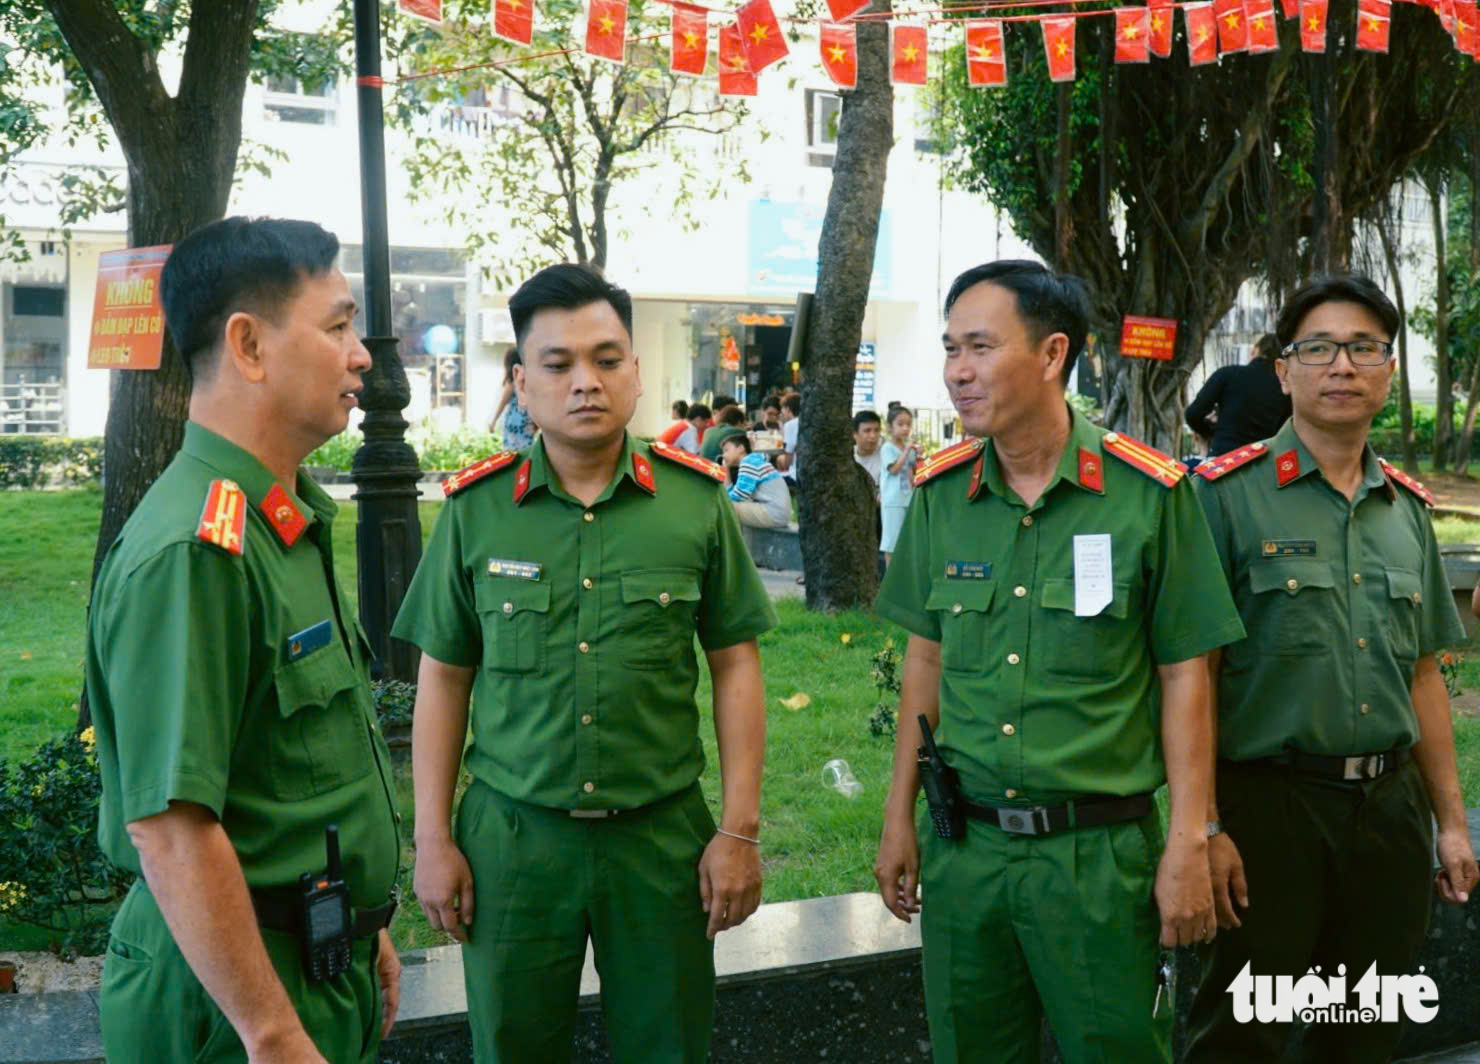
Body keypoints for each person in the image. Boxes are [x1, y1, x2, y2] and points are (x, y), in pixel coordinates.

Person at [391, 264, 777, 1064]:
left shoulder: (697, 502)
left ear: (636, 371)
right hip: (514, 843)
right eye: (558, 364)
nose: (586, 383)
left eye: (607, 359)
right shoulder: (475, 511)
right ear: (523, 382)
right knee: (515, 1046)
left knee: (669, 1045)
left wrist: (739, 829)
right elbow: (445, 677)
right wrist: (432, 837)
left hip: (661, 839)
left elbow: (736, 666)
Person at [872, 259, 1245, 1064]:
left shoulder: (1148, 495)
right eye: (949, 349)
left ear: (1051, 355)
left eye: (979, 347)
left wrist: (1190, 834)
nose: (957, 372)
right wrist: (899, 817)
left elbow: (1188, 674)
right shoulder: (941, 497)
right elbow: (925, 662)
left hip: (1096, 859)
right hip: (965, 853)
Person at [87, 217, 402, 1062]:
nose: (362, 353)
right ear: (249, 346)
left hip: (308, 965)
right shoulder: (196, 552)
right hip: (233, 1003)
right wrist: (271, 1032)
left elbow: (293, 776)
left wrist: (361, 925)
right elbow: (171, 827)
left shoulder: (281, 522)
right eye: (337, 326)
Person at [1186, 275, 1478, 1064]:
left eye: (1363, 349)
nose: (1340, 366)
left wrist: (1450, 822)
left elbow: (1422, 675)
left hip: (1388, 814)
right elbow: (1194, 678)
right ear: (1283, 371)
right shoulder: (1222, 499)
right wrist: (1203, 827)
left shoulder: (1407, 512)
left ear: (1389, 370)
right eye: (1317, 348)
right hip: (1268, 811)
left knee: (1366, 1034)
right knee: (1239, 1033)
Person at [1185, 333, 1291, 458]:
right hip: (1262, 462)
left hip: (1223, 459)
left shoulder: (1228, 374)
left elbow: (1193, 414)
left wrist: (1212, 431)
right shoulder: (1286, 387)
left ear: (1255, 350)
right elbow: (1286, 429)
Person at [722, 433, 791, 529]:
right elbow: (736, 493)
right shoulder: (753, 461)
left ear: (740, 448)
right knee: (728, 504)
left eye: (726, 450)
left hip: (774, 513)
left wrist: (718, 499)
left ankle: (729, 542)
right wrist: (726, 469)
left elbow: (739, 495)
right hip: (777, 513)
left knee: (724, 506)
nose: (723, 455)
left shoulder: (749, 462)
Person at [879, 405, 919, 562]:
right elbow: (894, 469)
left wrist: (918, 454)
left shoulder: (906, 448)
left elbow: (914, 470)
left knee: (905, 542)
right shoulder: (887, 448)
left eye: (908, 424)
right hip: (893, 500)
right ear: (890, 427)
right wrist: (907, 451)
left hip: (907, 497)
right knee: (891, 544)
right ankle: (890, 582)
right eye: (900, 424)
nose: (905, 428)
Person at [490, 347, 537, 451]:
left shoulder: (513, 380)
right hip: (527, 415)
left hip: (515, 418)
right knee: (526, 446)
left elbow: (503, 401)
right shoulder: (527, 377)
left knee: (512, 449)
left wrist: (493, 421)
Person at [853, 410, 884, 491]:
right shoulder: (847, 457)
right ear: (855, 434)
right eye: (867, 431)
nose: (873, 436)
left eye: (876, 430)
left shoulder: (886, 455)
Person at [776, 393, 801, 490]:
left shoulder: (790, 425)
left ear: (788, 409)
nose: (781, 412)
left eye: (782, 409)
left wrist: (779, 459)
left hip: (794, 476)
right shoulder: (807, 422)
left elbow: (787, 461)